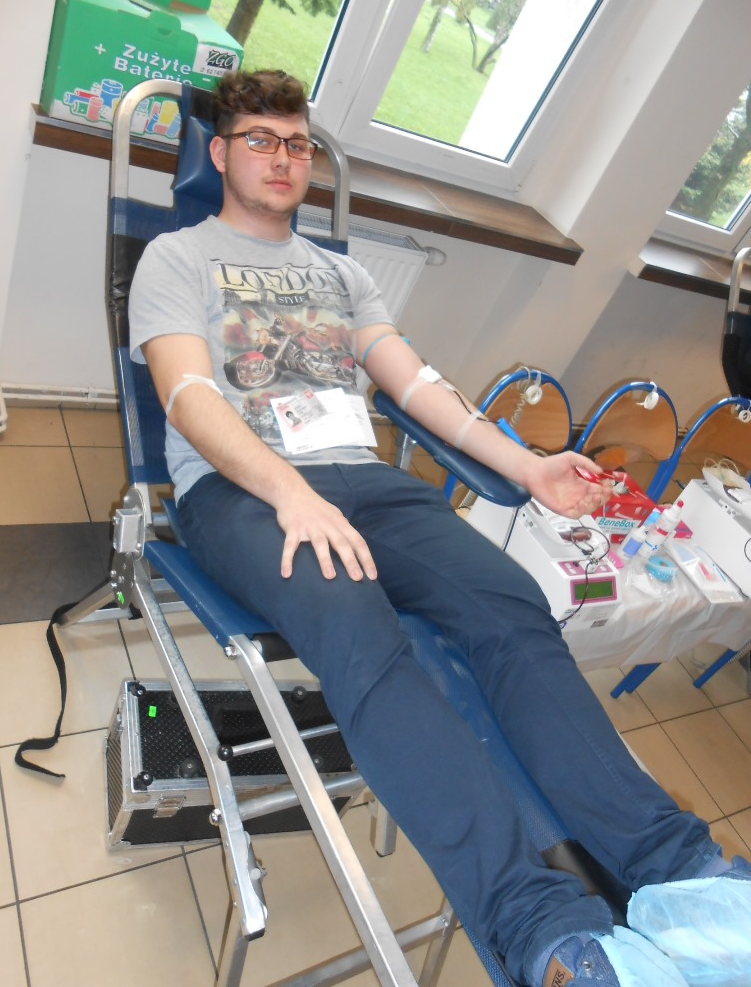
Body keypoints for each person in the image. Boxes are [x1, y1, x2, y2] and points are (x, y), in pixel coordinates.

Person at [129, 70, 750, 987]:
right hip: (241, 492)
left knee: (513, 606)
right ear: (219, 154)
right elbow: (186, 394)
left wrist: (528, 466)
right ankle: (543, 930)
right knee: (363, 634)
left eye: (296, 142)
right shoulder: (177, 257)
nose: (283, 157)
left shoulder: (342, 274)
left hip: (367, 482)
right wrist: (289, 493)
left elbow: (416, 385)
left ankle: (683, 873)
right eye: (260, 139)